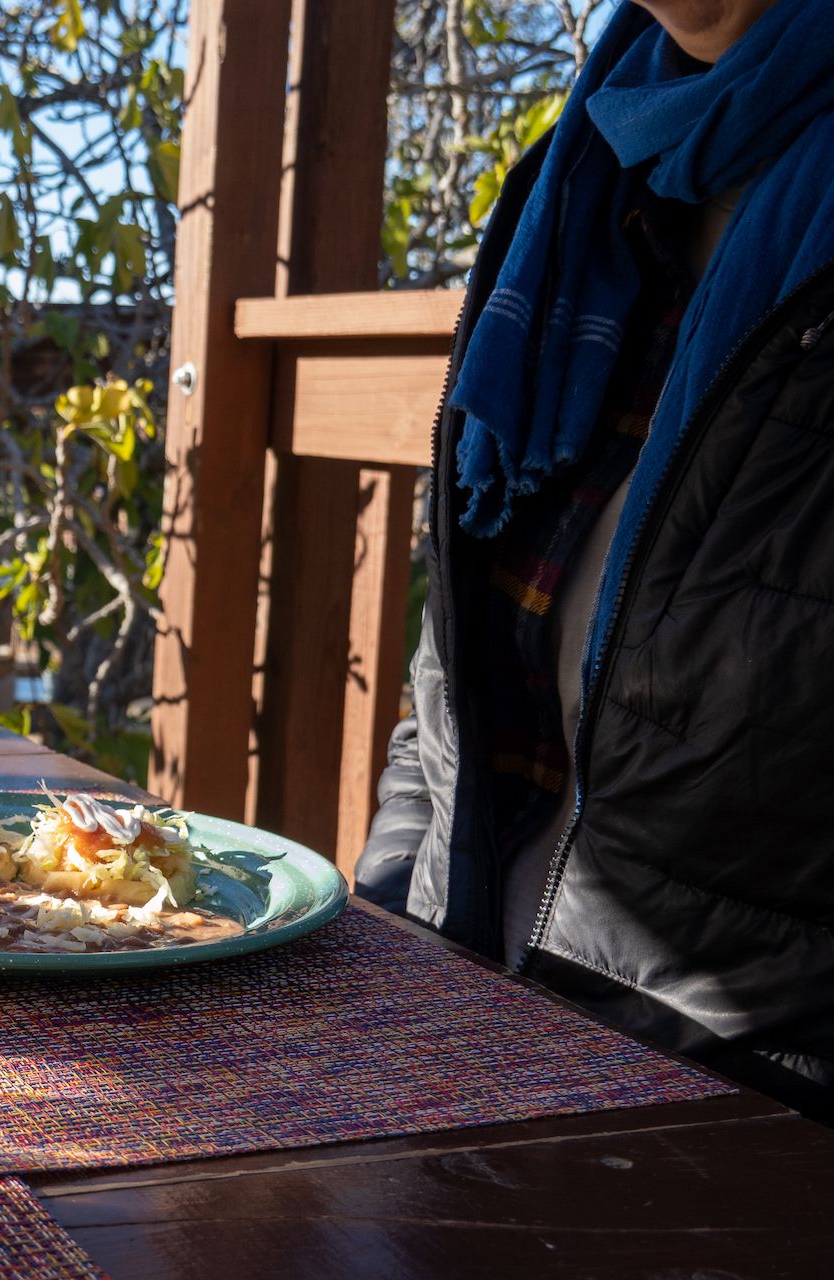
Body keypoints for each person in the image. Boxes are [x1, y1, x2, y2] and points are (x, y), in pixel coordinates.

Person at [356, 0, 834, 1117]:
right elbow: (452, 701)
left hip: (737, 1130)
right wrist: (375, 962)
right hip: (454, 1043)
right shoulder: (579, 179)